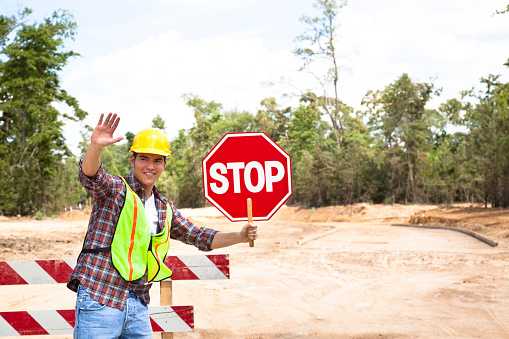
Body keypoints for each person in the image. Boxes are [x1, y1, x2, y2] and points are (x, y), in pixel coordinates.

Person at [67, 112, 257, 338]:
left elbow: (199, 236)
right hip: (101, 297)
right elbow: (91, 176)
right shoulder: (115, 191)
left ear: (164, 164)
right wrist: (95, 147)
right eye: (144, 159)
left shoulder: (163, 208)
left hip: (137, 303)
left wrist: (240, 236)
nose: (150, 166)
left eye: (157, 160)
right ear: (132, 160)